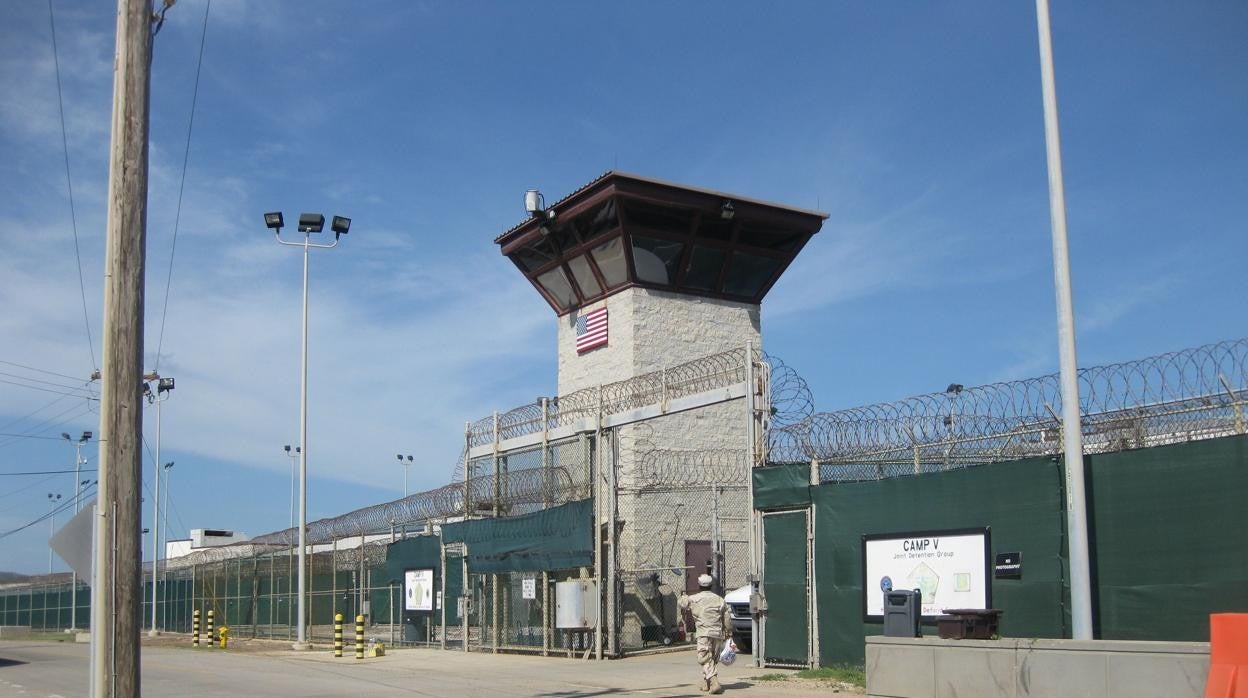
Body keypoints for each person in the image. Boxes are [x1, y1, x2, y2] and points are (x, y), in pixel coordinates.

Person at [678, 573, 732, 694]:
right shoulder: (720, 599)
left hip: (704, 633)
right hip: (718, 633)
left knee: (704, 658)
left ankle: (714, 682)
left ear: (699, 586)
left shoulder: (694, 599)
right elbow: (727, 618)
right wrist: (729, 631)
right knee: (712, 658)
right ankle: (706, 683)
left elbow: (682, 604)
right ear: (711, 586)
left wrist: (683, 596)